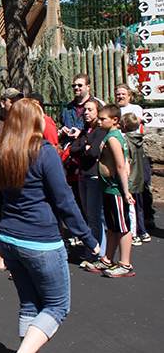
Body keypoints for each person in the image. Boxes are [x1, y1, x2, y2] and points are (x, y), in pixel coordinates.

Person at [0, 98, 99, 353]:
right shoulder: (44, 152)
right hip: (39, 240)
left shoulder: (1, 151)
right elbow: (64, 201)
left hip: (9, 238)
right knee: (57, 307)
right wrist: (87, 238)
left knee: (30, 303)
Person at [87, 104, 135, 278]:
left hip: (115, 189)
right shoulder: (109, 136)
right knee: (112, 226)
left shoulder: (114, 138)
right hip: (107, 188)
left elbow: (121, 165)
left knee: (122, 226)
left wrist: (125, 190)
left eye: (103, 119)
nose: (99, 121)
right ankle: (107, 259)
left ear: (115, 120)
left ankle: (125, 263)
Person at [69, 99, 107, 266]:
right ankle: (91, 252)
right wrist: (83, 147)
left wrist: (85, 149)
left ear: (97, 112)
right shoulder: (85, 130)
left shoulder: (99, 131)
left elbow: (92, 153)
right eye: (85, 110)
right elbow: (72, 149)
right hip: (83, 176)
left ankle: (98, 254)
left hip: (94, 177)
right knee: (87, 215)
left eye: (90, 110)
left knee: (95, 216)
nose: (86, 113)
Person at [121, 113, 149, 246]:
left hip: (130, 177)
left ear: (124, 126)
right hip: (139, 176)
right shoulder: (140, 139)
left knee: (130, 208)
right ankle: (143, 231)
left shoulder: (126, 140)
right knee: (139, 206)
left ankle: (134, 234)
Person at [60, 73, 96, 139]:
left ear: (88, 87)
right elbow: (61, 125)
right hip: (69, 145)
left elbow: (101, 130)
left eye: (80, 85)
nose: (76, 88)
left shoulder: (97, 106)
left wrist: (82, 134)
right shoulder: (67, 108)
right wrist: (62, 131)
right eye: (74, 86)